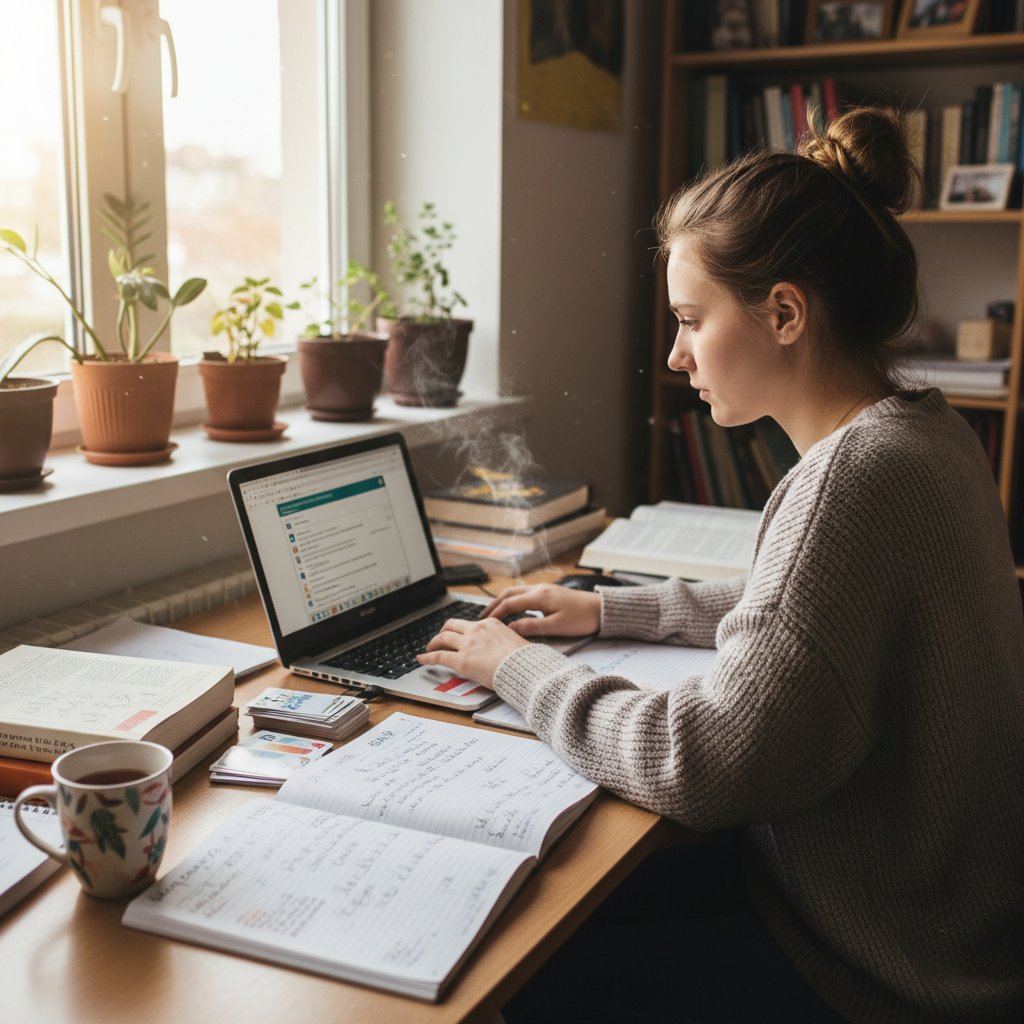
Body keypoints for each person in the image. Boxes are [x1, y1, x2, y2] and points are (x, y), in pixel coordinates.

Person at [419, 105, 1024, 1022]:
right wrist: (613, 611)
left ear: (784, 312)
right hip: (936, 917)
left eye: (692, 320)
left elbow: (699, 763)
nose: (674, 353)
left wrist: (519, 670)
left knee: (506, 975)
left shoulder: (848, 483)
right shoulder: (923, 433)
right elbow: (802, 615)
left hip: (876, 969)